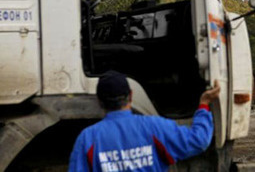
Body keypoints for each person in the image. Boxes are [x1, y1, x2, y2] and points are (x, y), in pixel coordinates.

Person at [69, 70, 220, 171]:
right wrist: (204, 104)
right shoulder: (155, 127)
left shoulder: (87, 139)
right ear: (131, 95)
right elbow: (198, 140)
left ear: (99, 101)